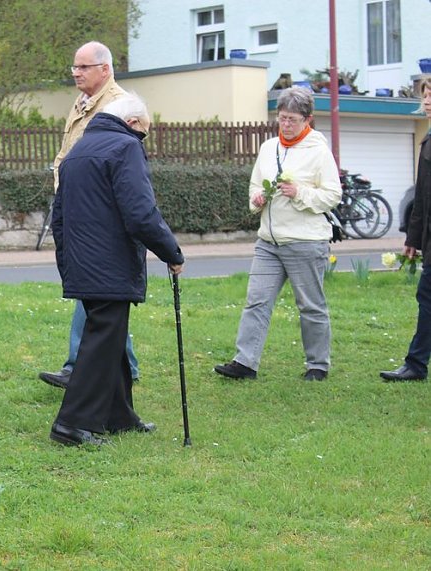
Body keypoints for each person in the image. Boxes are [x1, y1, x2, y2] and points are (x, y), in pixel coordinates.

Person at [49, 94, 184, 447]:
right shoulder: (125, 147)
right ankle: (72, 424)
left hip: (82, 261)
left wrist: (67, 262)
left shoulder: (76, 151)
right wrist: (171, 251)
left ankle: (119, 415)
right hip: (109, 263)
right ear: (134, 123)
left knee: (110, 337)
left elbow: (57, 216)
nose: (144, 141)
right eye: (145, 133)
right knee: (102, 339)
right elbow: (140, 212)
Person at [214, 87, 342, 382]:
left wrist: (300, 193)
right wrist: (257, 199)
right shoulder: (268, 148)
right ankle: (245, 363)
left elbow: (333, 194)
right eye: (282, 118)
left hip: (306, 242)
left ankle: (318, 365)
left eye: (292, 119)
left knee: (310, 305)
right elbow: (255, 185)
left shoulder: (319, 151)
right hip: (268, 242)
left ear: (307, 119)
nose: (285, 124)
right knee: (256, 301)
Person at [37, 41, 140, 390]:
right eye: (74, 68)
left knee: (94, 290)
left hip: (98, 213)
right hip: (73, 205)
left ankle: (76, 367)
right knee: (100, 295)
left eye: (83, 67)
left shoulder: (119, 105)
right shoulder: (81, 104)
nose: (76, 73)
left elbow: (124, 161)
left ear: (105, 69)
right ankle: (125, 367)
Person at [380, 78, 431, 382]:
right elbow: (422, 196)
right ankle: (416, 363)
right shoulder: (427, 138)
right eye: (426, 96)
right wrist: (413, 239)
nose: (427, 101)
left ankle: (416, 363)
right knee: (427, 298)